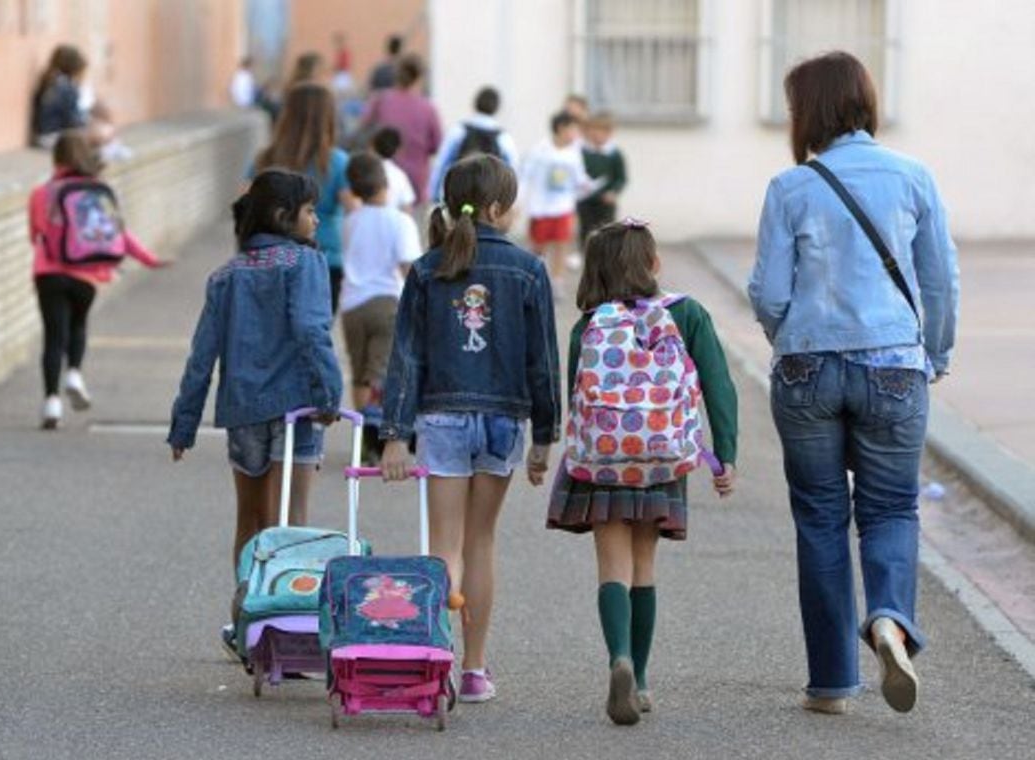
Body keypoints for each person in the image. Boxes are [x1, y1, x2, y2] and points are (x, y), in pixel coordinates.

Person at [748, 51, 959, 716]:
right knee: (892, 509)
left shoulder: (791, 187)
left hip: (808, 368)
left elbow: (768, 291)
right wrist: (936, 352)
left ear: (807, 112)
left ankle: (833, 681)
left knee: (820, 518)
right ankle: (891, 619)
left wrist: (791, 337)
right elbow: (940, 280)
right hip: (894, 364)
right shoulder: (913, 176)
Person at [379, 155, 560, 703]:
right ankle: (476, 669)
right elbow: (543, 360)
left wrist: (394, 433)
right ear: (500, 208)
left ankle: (437, 663)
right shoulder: (529, 270)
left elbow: (405, 357)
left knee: (444, 547)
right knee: (482, 541)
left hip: (442, 416)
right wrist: (546, 435)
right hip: (505, 419)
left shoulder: (428, 268)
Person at [546, 219, 738, 725]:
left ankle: (620, 660)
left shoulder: (589, 325)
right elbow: (718, 384)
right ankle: (644, 681)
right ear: (652, 264)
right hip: (663, 456)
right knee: (644, 567)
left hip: (604, 457)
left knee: (613, 566)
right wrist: (726, 455)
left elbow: (574, 398)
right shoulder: (687, 313)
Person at [168, 169, 342, 653]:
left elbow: (202, 354)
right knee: (292, 519)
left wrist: (184, 423)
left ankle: (244, 618)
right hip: (297, 408)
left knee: (250, 519)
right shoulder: (305, 263)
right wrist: (330, 393)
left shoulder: (227, 274)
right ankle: (286, 621)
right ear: (284, 216)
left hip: (243, 410)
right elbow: (312, 331)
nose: (315, 220)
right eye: (309, 211)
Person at [29, 130, 165, 429]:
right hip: (87, 273)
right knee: (78, 325)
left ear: (56, 158)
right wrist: (149, 259)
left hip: (49, 273)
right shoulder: (97, 190)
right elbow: (120, 233)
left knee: (53, 337)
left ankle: (51, 403)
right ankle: (75, 373)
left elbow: (34, 235)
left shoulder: (42, 193)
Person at [340, 152, 423, 462]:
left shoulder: (351, 220)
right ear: (386, 182)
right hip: (387, 302)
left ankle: (363, 439)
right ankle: (381, 438)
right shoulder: (399, 221)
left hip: (352, 304)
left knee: (361, 372)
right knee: (383, 373)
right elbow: (408, 269)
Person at [254, 84, 354, 312]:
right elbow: (354, 208)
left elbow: (247, 206)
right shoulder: (337, 161)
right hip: (326, 259)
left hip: (270, 259)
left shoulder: (265, 158)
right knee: (314, 332)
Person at [520, 110, 599, 299]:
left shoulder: (574, 152)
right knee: (538, 248)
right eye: (573, 130)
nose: (576, 134)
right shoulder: (540, 150)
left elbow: (579, 176)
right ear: (561, 129)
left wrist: (588, 184)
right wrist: (518, 201)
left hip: (563, 207)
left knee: (561, 245)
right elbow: (525, 175)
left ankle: (557, 282)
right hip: (541, 208)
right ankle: (535, 280)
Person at [361, 54, 442, 204]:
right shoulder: (428, 108)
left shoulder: (380, 100)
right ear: (419, 78)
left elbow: (363, 128)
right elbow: (437, 144)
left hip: (381, 178)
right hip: (416, 181)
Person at [428, 86, 519, 203]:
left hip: (458, 192)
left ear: (475, 103)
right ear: (497, 108)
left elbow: (441, 163)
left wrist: (434, 194)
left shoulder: (459, 130)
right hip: (488, 197)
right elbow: (513, 170)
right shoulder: (503, 137)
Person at [576, 111, 627, 248]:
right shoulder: (583, 152)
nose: (597, 134)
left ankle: (606, 264)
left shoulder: (614, 154)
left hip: (605, 203)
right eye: (594, 130)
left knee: (606, 234)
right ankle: (587, 260)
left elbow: (621, 178)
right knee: (586, 233)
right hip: (585, 201)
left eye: (601, 131)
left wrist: (613, 192)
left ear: (609, 133)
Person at [31, 45, 89, 148]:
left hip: (41, 136)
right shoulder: (67, 87)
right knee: (102, 131)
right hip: (53, 138)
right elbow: (73, 121)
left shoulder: (50, 80)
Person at [371, 127, 416, 211]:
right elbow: (407, 208)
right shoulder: (400, 176)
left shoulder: (366, 172)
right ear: (398, 150)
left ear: (373, 146)